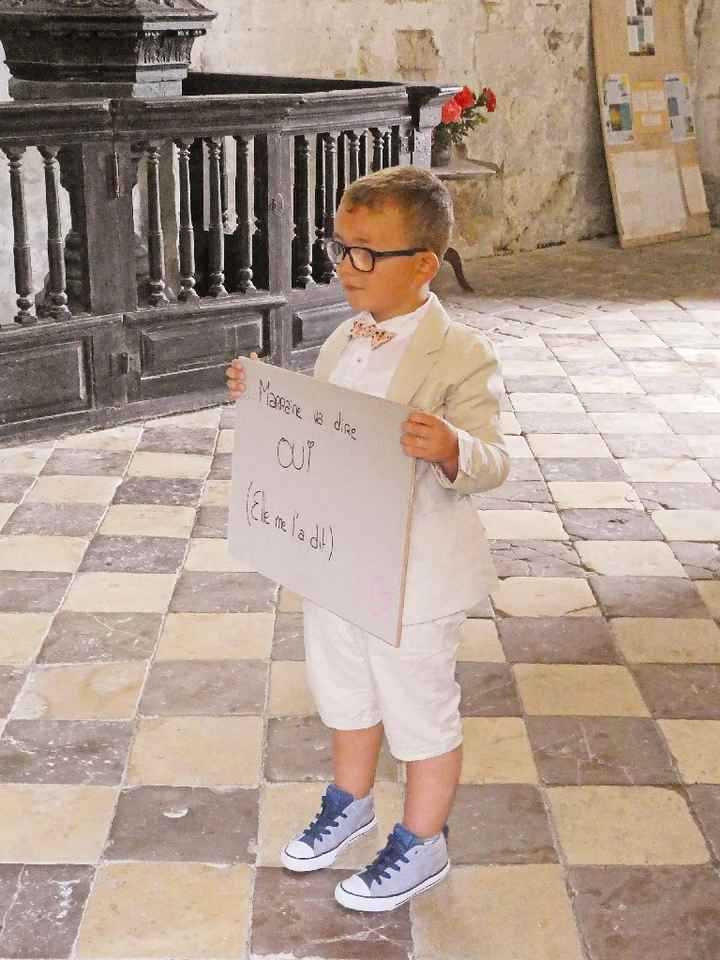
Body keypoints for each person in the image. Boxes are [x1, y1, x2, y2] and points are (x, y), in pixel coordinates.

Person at [226, 165, 508, 912]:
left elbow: (493, 458)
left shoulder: (461, 352)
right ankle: (350, 803)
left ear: (423, 264)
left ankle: (424, 841)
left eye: (365, 253)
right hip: (339, 561)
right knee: (343, 688)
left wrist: (450, 445)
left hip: (417, 576)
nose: (346, 267)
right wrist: (265, 398)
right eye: (339, 247)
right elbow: (327, 426)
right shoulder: (345, 337)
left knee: (416, 704)